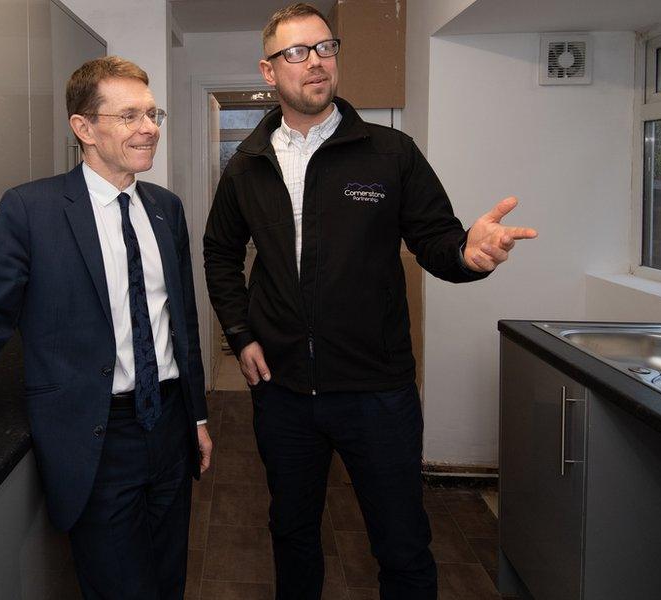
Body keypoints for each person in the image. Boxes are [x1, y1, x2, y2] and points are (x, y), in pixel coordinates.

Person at [203, 4, 538, 599]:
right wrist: (240, 333)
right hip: (282, 391)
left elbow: (436, 240)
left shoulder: (390, 152)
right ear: (269, 70)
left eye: (325, 48)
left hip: (377, 391)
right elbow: (220, 254)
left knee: (402, 543)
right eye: (297, 53)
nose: (315, 62)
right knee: (292, 531)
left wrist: (468, 254)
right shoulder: (247, 166)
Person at [0, 56, 211, 599]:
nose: (150, 128)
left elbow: (182, 322)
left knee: (168, 577)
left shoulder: (165, 209)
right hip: (97, 437)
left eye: (153, 114)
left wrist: (195, 413)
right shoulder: (31, 210)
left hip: (170, 428)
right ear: (84, 128)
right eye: (129, 116)